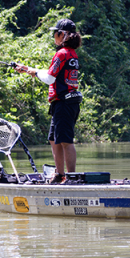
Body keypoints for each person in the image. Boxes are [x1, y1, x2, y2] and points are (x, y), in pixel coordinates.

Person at [14, 18, 82, 184]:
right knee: (54, 138)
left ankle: (71, 177)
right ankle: (60, 175)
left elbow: (50, 78)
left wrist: (35, 72)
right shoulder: (71, 53)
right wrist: (30, 70)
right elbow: (53, 74)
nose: (54, 36)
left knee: (65, 140)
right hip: (63, 103)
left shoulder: (61, 53)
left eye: (55, 33)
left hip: (64, 103)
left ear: (63, 34)